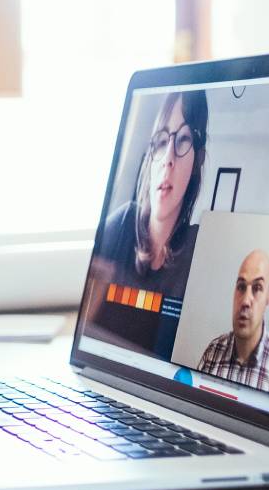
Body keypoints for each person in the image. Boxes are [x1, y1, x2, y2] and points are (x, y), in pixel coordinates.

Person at [87, 89, 209, 360]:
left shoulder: (200, 254)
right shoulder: (120, 224)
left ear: (198, 159)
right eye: (162, 141)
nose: (168, 158)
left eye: (184, 139)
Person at [195, 249, 269, 398]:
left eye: (257, 288)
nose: (245, 301)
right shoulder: (213, 351)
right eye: (241, 287)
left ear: (268, 299)